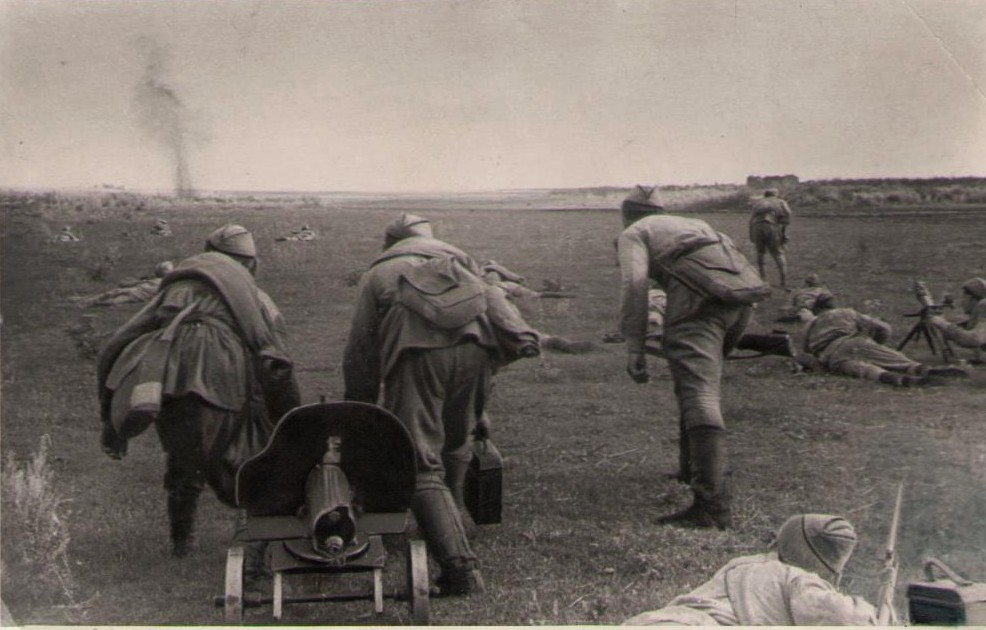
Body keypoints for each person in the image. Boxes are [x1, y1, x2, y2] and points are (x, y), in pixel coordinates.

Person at [343, 213, 539, 596]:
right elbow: (493, 317)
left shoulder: (379, 273)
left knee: (418, 463)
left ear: (391, 243)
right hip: (477, 352)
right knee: (456, 442)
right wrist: (480, 406)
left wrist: (360, 408)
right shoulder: (462, 263)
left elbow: (361, 352)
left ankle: (460, 569)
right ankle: (452, 521)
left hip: (417, 356)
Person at [96, 224, 300, 586]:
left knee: (184, 457)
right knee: (247, 455)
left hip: (170, 377)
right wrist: (289, 418)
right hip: (225, 377)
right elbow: (276, 360)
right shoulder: (256, 297)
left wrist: (109, 418)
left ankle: (181, 544)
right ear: (250, 263)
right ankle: (252, 555)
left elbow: (118, 342)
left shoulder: (174, 288)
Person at [618, 185, 757, 530]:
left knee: (699, 394)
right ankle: (691, 470)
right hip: (741, 300)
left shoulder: (635, 232)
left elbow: (635, 287)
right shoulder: (694, 225)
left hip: (699, 301)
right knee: (697, 387)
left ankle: (711, 506)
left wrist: (635, 345)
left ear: (626, 214)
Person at [623, 514, 882, 625]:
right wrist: (877, 611)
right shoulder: (800, 580)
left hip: (659, 619)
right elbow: (848, 619)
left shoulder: (743, 563)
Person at [801, 294, 967, 386]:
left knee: (862, 370)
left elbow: (806, 353)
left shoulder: (811, 324)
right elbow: (884, 328)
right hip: (856, 341)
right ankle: (923, 370)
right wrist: (876, 344)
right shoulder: (847, 312)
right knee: (898, 360)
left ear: (816, 309)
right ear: (833, 305)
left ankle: (896, 380)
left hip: (831, 354)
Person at [70, 261, 174, 307]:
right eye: (166, 269)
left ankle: (90, 303)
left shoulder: (169, 282)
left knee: (115, 300)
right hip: (136, 290)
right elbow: (131, 284)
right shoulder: (156, 279)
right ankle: (85, 300)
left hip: (139, 295)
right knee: (113, 292)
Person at [929, 277, 986, 358]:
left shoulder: (983, 307)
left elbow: (974, 339)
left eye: (963, 297)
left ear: (969, 297)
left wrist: (943, 325)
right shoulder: (980, 311)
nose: (962, 301)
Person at [749, 188, 792, 289]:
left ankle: (763, 279)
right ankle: (783, 281)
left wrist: (751, 234)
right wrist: (783, 233)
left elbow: (751, 219)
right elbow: (788, 215)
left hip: (756, 227)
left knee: (760, 253)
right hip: (771, 226)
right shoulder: (781, 202)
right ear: (776, 194)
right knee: (778, 253)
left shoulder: (758, 203)